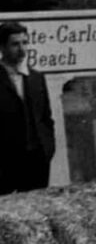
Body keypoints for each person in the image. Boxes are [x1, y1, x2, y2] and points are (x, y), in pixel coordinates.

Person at [0, 21, 55, 195]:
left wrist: (48, 149)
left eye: (25, 43)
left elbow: (46, 118)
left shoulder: (36, 78)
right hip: (5, 162)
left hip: (36, 160)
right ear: (2, 47)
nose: (22, 49)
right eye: (15, 44)